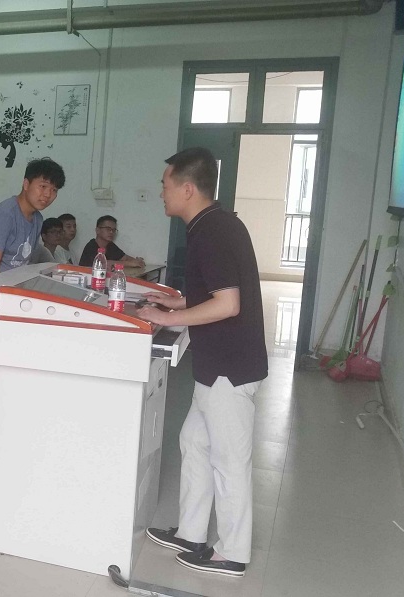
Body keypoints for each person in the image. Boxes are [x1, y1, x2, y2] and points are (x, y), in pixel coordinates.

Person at [142, 148, 267, 578]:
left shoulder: (212, 232)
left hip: (230, 368)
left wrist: (167, 318)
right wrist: (177, 302)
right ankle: (192, 534)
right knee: (194, 443)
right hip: (215, 366)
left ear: (187, 189)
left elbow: (228, 304)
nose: (161, 192)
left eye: (165, 184)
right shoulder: (213, 224)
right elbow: (216, 291)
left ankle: (232, 553)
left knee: (229, 460)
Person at [0, 158, 64, 322]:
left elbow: (25, 263)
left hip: (12, 297)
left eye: (54, 190)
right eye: (43, 186)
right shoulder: (4, 215)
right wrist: (3, 305)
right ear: (26, 184)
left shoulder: (37, 219)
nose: (48, 195)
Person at [78, 215, 145, 267]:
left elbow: (125, 258)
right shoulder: (91, 246)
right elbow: (104, 263)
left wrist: (137, 261)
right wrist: (131, 264)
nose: (111, 232)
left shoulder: (110, 245)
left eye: (114, 230)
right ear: (97, 230)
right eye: (108, 229)